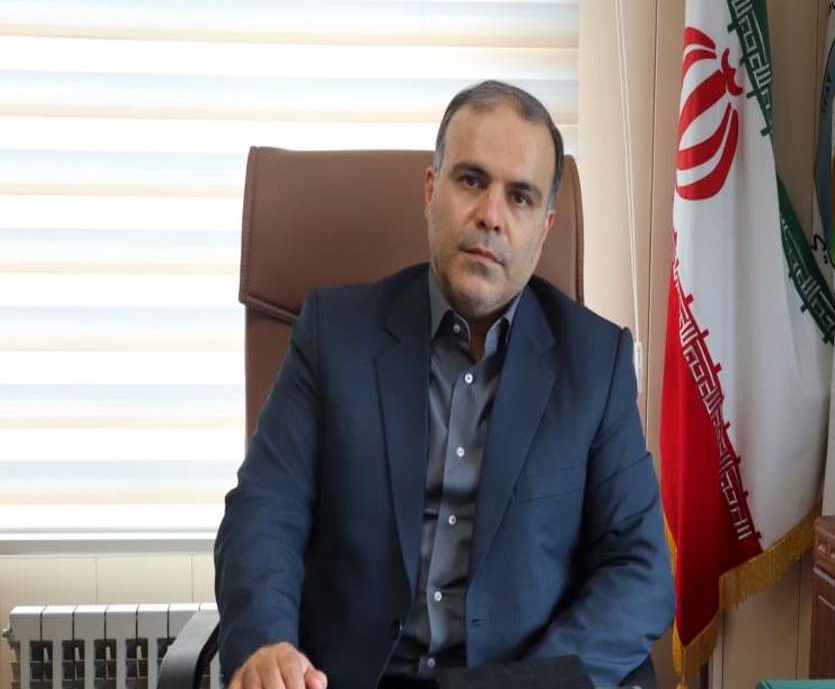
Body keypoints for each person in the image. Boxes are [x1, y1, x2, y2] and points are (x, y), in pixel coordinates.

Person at [215, 81, 674, 689]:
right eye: (471, 181)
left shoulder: (594, 363)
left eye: (520, 197)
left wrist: (535, 684)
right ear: (431, 192)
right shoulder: (334, 334)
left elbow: (639, 570)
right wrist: (268, 643)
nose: (491, 216)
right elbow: (265, 510)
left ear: (545, 228)